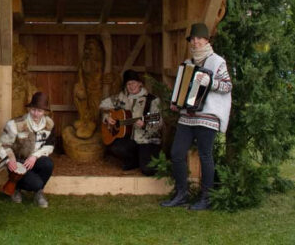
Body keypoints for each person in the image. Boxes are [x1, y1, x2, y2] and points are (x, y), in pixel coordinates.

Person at [161, 22, 232, 210]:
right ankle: (182, 194)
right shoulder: (187, 63)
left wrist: (209, 82)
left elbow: (227, 86)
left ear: (207, 40)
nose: (195, 42)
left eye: (199, 38)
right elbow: (181, 87)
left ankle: (206, 198)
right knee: (177, 153)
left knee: (205, 155)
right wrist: (176, 101)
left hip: (208, 115)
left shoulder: (217, 61)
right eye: (193, 39)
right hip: (187, 115)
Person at [0, 92, 55, 208]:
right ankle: (16, 188)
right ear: (29, 109)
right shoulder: (15, 124)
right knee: (35, 183)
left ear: (45, 112)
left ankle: (39, 192)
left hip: (34, 160)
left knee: (48, 164)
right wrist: (9, 160)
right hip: (18, 163)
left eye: (40, 111)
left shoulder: (49, 124)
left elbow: (50, 145)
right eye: (33, 110)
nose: (36, 114)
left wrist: (35, 156)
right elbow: (0, 145)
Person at [99, 70, 163, 175]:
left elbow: (159, 122)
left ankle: (142, 159)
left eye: (134, 83)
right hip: (129, 138)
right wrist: (107, 117)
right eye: (128, 84)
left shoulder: (152, 100)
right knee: (114, 147)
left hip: (146, 140)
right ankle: (133, 161)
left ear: (140, 84)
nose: (131, 86)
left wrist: (145, 124)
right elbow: (103, 104)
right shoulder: (121, 97)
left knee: (147, 170)